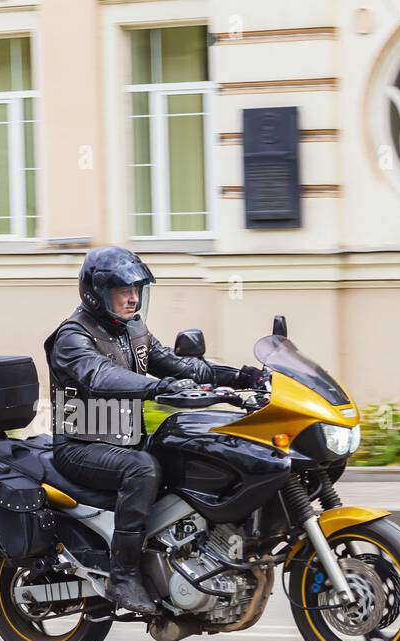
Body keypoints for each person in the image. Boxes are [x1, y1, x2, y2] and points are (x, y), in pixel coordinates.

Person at [43, 246, 262, 615]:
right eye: (122, 290)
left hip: (125, 439)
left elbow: (179, 366)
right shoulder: (72, 337)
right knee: (142, 468)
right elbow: (99, 375)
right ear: (96, 293)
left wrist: (243, 377)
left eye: (137, 290)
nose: (132, 298)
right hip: (81, 445)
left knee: (194, 449)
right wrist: (157, 387)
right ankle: (124, 575)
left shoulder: (132, 328)